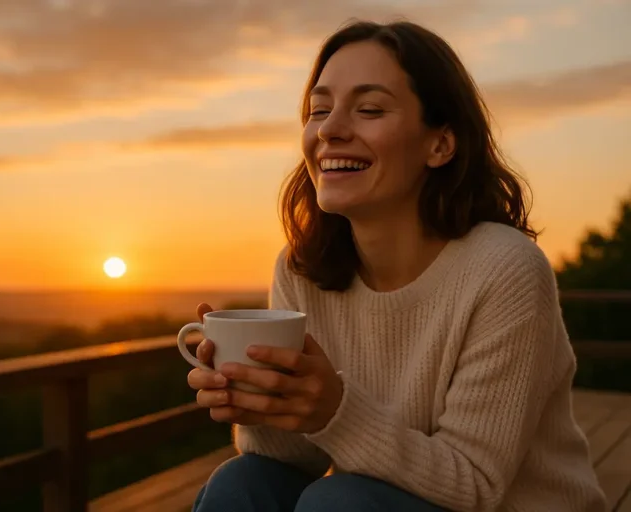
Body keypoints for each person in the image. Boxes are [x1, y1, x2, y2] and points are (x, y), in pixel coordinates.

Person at [186, 19, 606, 512]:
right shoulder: (302, 269)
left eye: (369, 109)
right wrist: (261, 402)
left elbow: (476, 485)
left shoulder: (504, 270)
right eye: (319, 110)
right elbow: (298, 458)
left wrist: (334, 411)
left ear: (440, 144)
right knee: (241, 483)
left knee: (338, 502)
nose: (330, 130)